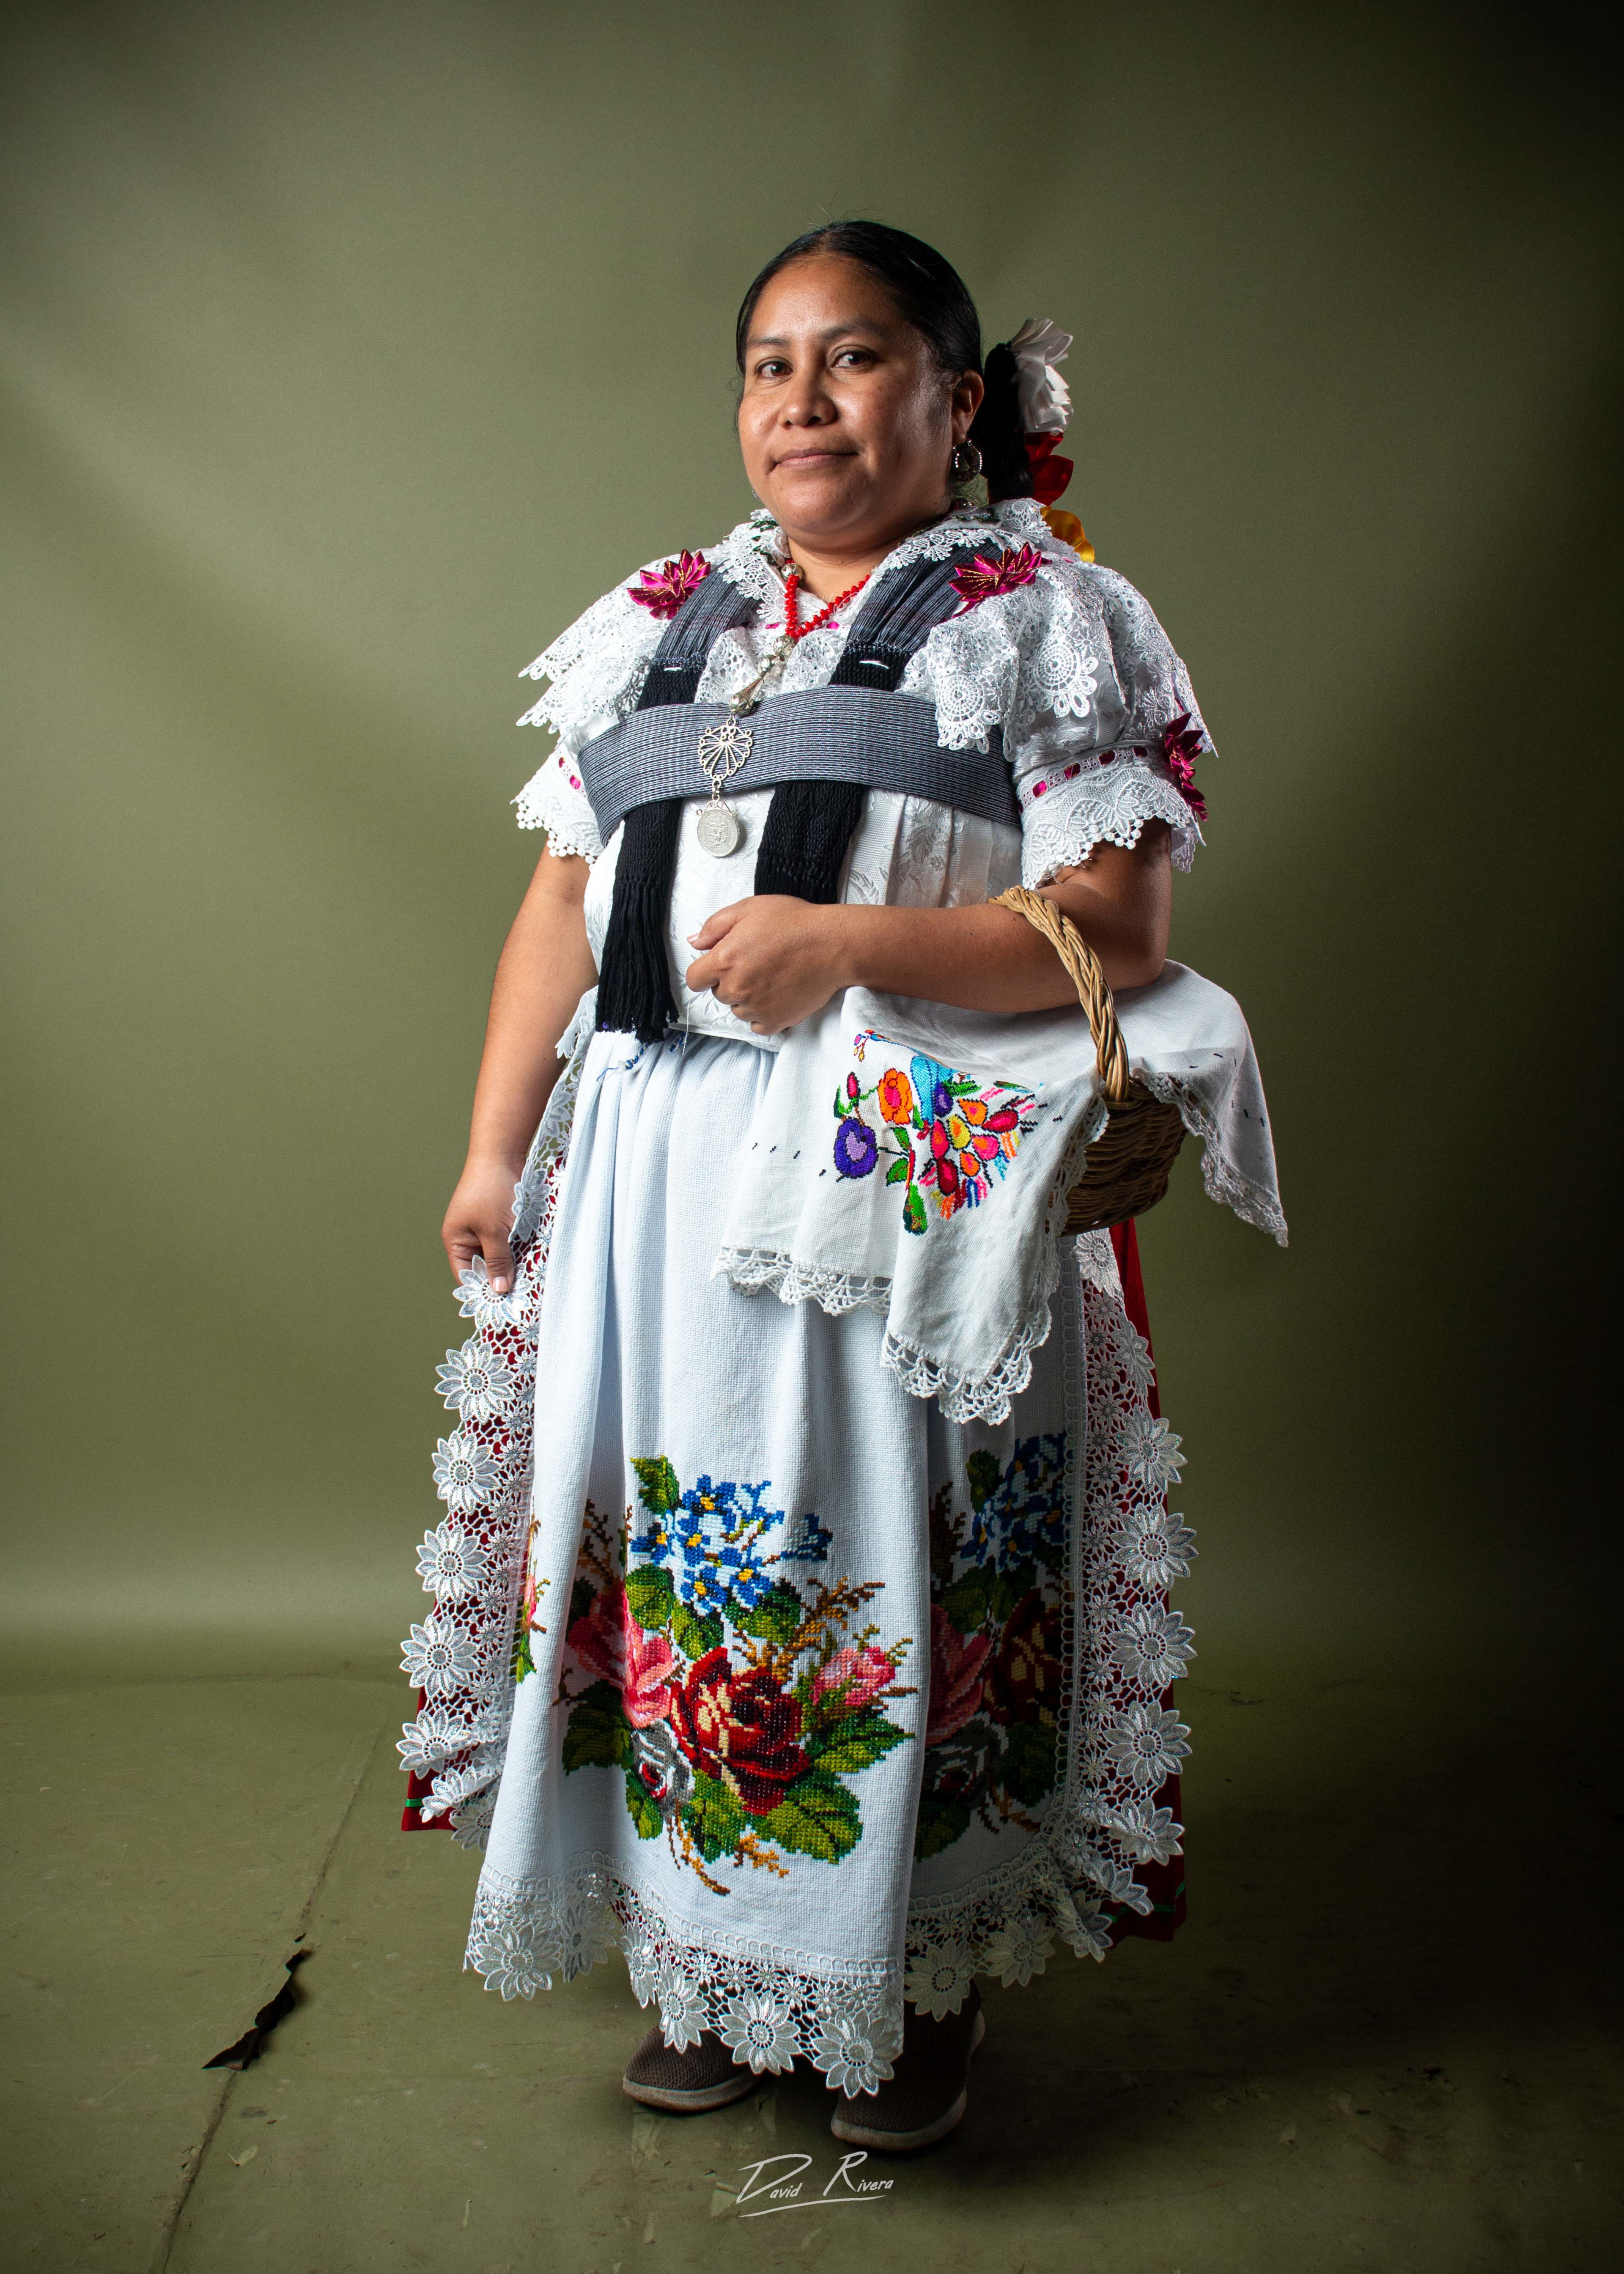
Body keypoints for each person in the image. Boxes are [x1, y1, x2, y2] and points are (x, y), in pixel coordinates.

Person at [398, 222, 1284, 2152]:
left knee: (884, 1539)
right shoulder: (656, 616)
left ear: (960, 404)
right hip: (642, 1176)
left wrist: (849, 946)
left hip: (887, 1182)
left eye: (859, 358)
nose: (804, 399)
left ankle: (903, 1969)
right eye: (770, 365)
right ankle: (716, 1959)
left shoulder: (1038, 610)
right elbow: (564, 900)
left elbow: (1118, 924)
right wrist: (492, 1149)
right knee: (685, 1541)